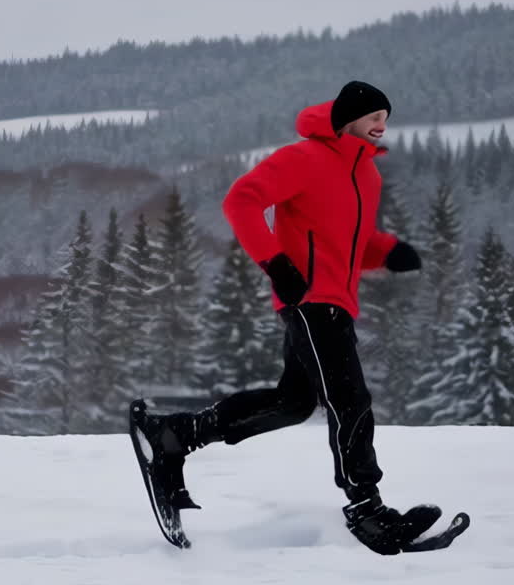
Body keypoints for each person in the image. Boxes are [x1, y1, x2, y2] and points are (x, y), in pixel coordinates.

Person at [131, 80, 436, 554]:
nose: (382, 125)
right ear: (348, 119)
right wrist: (275, 263)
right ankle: (365, 507)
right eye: (375, 116)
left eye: (387, 118)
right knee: (348, 397)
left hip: (337, 301)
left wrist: (389, 251)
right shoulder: (305, 158)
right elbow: (242, 200)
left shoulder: (367, 177)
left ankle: (176, 434)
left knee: (295, 402)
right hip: (310, 300)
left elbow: (348, 244)